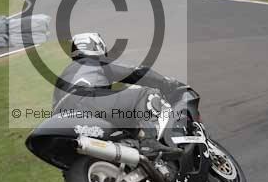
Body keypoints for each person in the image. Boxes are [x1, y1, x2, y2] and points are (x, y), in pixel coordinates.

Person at [52, 32, 184, 157]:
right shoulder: (95, 61)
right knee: (145, 94)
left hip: (60, 118)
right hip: (89, 101)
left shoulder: (64, 74)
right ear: (97, 46)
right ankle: (149, 142)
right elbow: (135, 72)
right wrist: (165, 82)